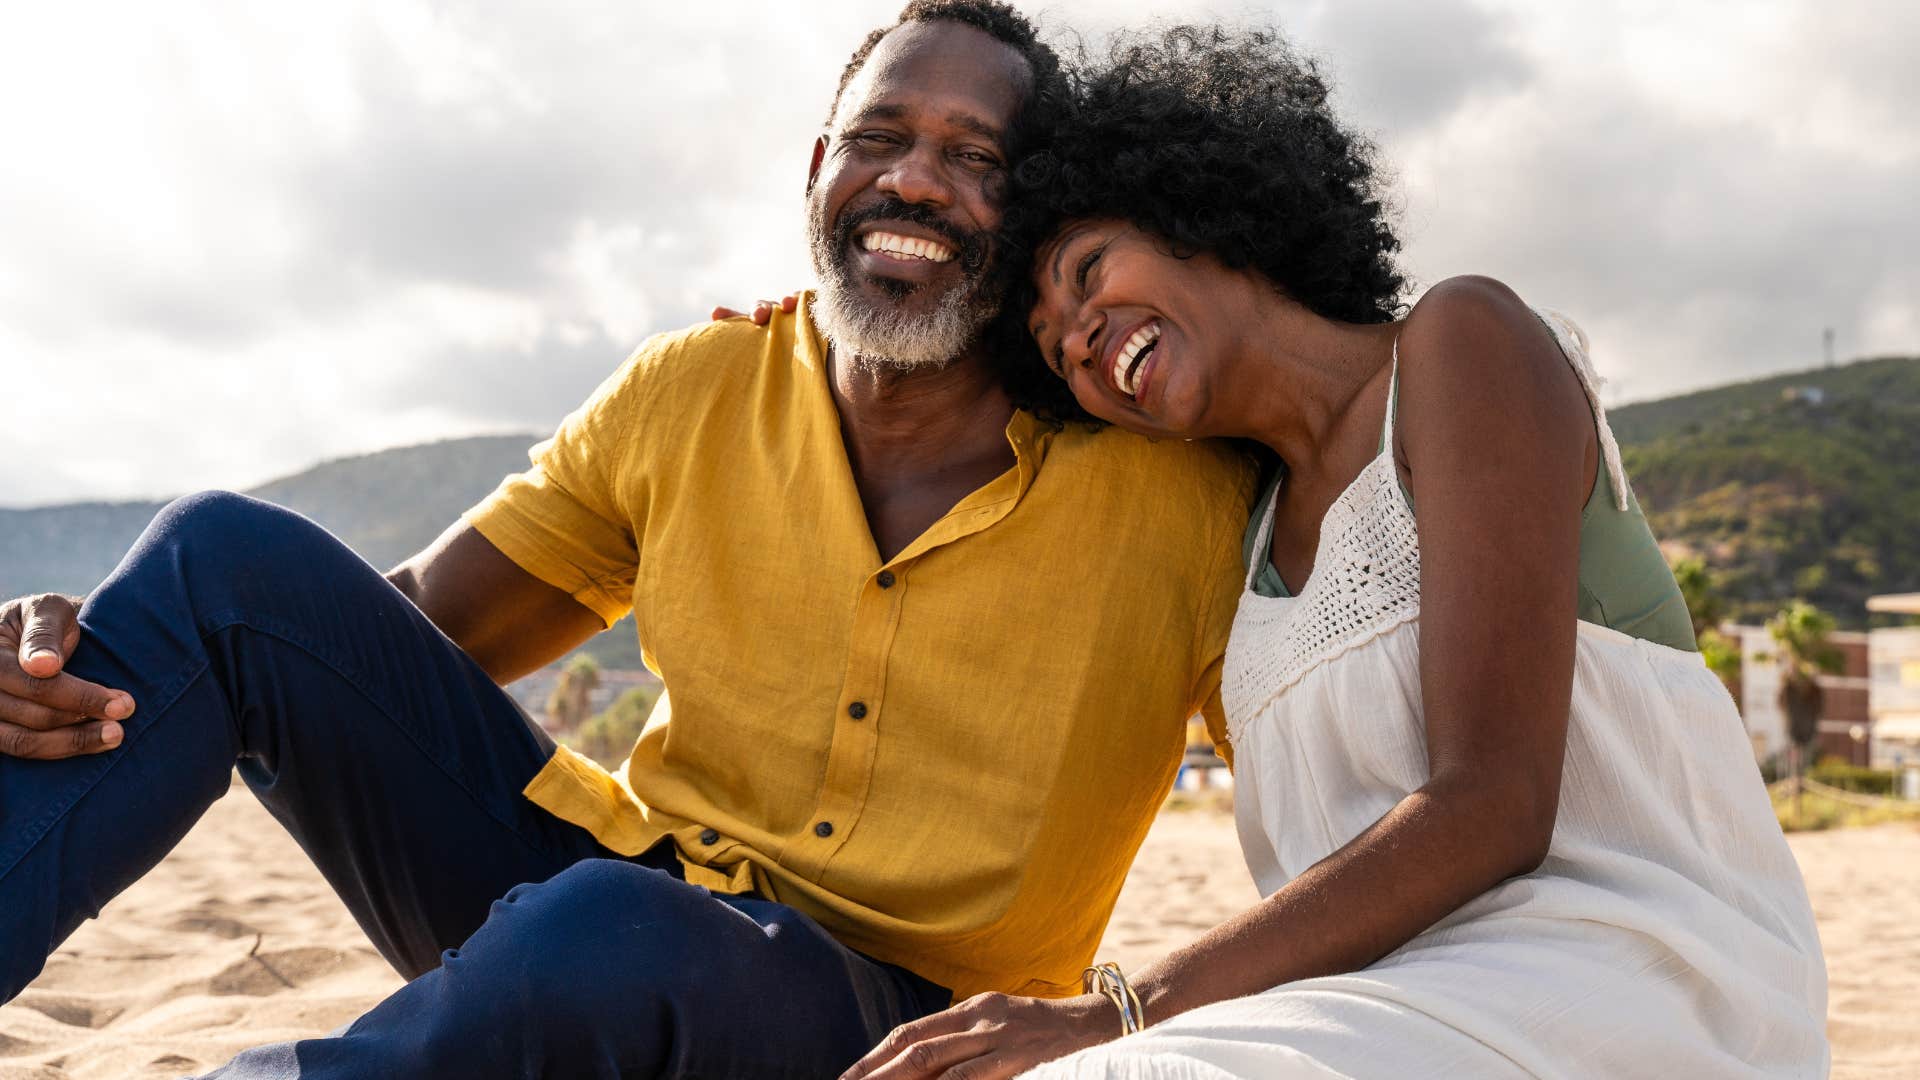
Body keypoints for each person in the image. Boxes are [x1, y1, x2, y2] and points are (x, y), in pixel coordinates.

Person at [0, 5, 1254, 1076]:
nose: (913, 179)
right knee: (221, 557)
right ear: (818, 167)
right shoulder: (696, 387)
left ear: (1036, 214)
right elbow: (393, 637)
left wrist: (1128, 1009)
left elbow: (1345, 798)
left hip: (908, 1026)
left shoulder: (1173, 491)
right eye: (879, 138)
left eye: (974, 156)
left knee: (604, 933)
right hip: (606, 894)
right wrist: (117, 651)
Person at [843, 25, 1828, 1080]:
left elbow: (1493, 803)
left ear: (1202, 216)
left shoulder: (1460, 345)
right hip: (1391, 1007)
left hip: (1637, 977)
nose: (1079, 334)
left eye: (1089, 269)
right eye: (1051, 349)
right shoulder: (1241, 536)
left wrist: (1119, 1014)